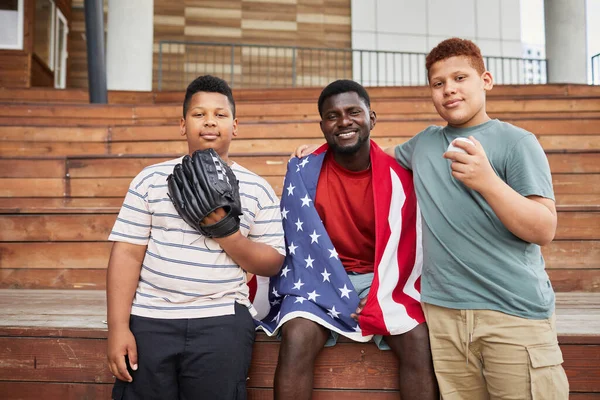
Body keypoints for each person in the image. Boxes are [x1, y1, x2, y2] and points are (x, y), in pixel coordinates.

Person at [297, 37, 569, 399]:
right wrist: (315, 156)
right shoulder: (424, 144)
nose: (449, 90)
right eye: (438, 84)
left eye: (460, 78)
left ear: (485, 80)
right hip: (445, 317)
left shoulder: (516, 142)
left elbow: (544, 229)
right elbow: (368, 155)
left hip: (510, 314)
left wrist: (488, 182)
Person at [106, 75, 285, 400]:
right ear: (182, 124)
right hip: (151, 317)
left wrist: (225, 231)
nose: (210, 122)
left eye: (220, 114)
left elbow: (273, 261)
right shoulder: (151, 179)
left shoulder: (256, 188)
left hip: (222, 320)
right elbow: (127, 255)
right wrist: (118, 327)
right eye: (199, 114)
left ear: (235, 125)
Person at [258, 79, 439, 400]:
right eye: (333, 115)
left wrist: (375, 298)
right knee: (297, 336)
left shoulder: (399, 175)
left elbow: (408, 251)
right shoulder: (303, 171)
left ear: (372, 117)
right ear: (322, 125)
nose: (344, 121)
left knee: (418, 340)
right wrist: (339, 295)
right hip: (320, 281)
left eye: (354, 112)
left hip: (384, 281)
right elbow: (300, 251)